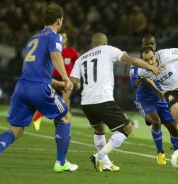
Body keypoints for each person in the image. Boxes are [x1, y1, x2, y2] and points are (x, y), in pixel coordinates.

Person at [0, 3, 78, 173]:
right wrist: (65, 77)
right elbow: (55, 55)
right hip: (39, 88)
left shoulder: (33, 38)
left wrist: (58, 84)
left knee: (16, 130)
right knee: (65, 116)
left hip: (22, 87)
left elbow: (36, 70)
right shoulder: (54, 37)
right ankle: (61, 163)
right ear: (59, 20)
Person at [69, 32, 160, 172]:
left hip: (86, 102)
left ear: (91, 44)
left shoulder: (81, 58)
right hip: (103, 99)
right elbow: (133, 60)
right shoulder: (108, 49)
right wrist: (151, 67)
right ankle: (100, 155)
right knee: (127, 128)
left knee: (99, 130)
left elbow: (73, 82)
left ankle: (105, 163)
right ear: (105, 43)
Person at [129, 34, 178, 165]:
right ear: (142, 46)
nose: (148, 46)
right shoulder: (136, 63)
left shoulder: (164, 58)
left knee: (174, 129)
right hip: (145, 100)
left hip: (161, 99)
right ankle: (160, 153)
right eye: (145, 44)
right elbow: (133, 82)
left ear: (155, 45)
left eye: (151, 44)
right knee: (156, 122)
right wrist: (138, 81)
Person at [32, 31, 79, 131]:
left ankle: (59, 126)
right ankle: (40, 116)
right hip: (52, 79)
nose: (62, 39)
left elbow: (78, 66)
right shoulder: (53, 50)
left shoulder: (72, 52)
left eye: (64, 37)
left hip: (66, 80)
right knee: (52, 101)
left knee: (64, 103)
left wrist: (78, 81)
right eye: (60, 37)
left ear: (67, 39)